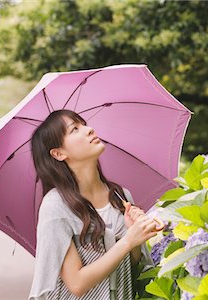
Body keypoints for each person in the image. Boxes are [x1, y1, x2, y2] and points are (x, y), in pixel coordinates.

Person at [28, 109, 158, 300]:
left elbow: (132, 267)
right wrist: (128, 240)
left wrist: (136, 237)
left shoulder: (121, 196)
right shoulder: (56, 206)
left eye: (84, 124)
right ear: (58, 153)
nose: (89, 130)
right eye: (74, 129)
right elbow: (77, 283)